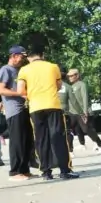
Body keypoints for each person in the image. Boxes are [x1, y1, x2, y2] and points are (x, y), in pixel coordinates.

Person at [17, 46, 79, 181]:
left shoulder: (24, 70)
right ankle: (64, 170)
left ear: (28, 57)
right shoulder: (53, 67)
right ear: (42, 55)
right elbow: (58, 85)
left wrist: (32, 95)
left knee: (40, 139)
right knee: (59, 137)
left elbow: (20, 90)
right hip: (53, 105)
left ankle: (46, 171)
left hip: (35, 107)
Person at [0, 46, 36, 179]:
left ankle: (25, 169)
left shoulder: (19, 70)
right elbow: (1, 90)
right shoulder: (6, 70)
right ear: (13, 56)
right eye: (21, 56)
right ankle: (15, 172)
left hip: (24, 108)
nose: (23, 59)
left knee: (27, 140)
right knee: (17, 141)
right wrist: (19, 94)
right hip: (14, 110)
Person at [66, 69, 101, 153]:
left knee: (86, 129)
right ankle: (73, 149)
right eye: (68, 76)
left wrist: (85, 111)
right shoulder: (71, 86)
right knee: (69, 129)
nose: (69, 77)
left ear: (77, 75)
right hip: (72, 112)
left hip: (81, 111)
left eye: (71, 75)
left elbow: (85, 98)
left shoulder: (82, 85)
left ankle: (100, 144)